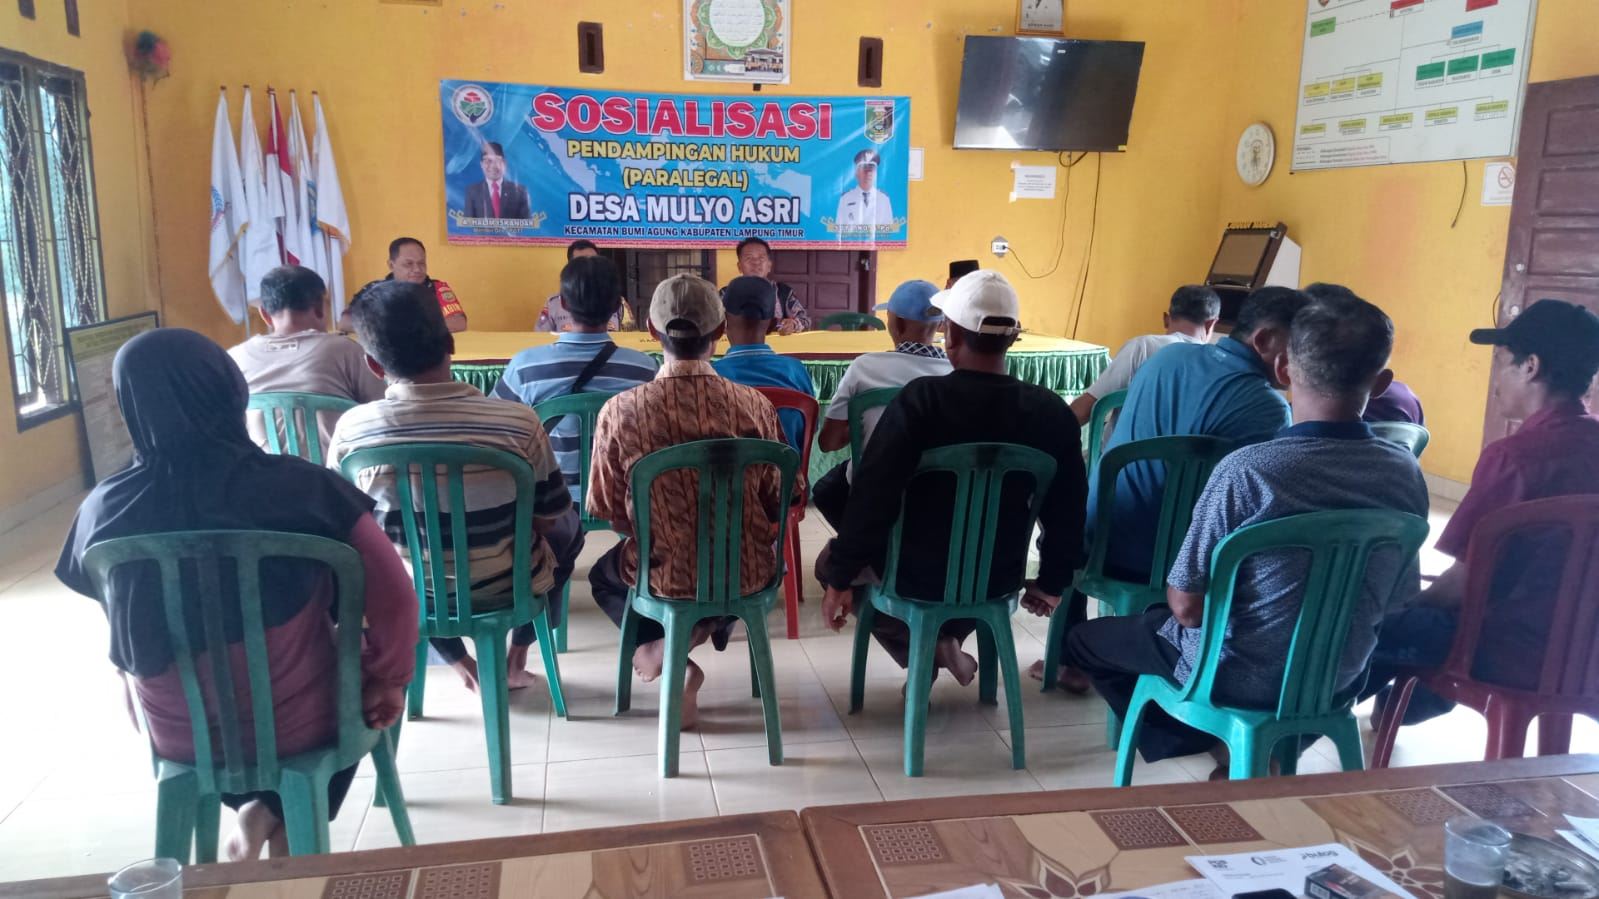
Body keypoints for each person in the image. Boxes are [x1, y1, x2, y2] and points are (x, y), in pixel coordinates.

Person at [55, 328, 418, 861]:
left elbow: (118, 630)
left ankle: (259, 814)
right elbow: (397, 601)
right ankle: (277, 821)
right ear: (231, 390)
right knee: (353, 681)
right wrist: (387, 679)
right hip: (300, 725)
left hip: (177, 734)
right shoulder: (305, 489)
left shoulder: (101, 510)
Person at [1058, 292, 1428, 777]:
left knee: (1086, 642)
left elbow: (1186, 607)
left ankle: (1218, 742)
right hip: (1337, 676)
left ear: (1285, 369)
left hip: (1230, 674)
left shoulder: (1248, 471)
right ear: (1380, 383)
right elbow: (1399, 598)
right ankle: (1254, 751)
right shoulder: (1404, 473)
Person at [817, 270, 1088, 686]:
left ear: (952, 335)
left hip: (914, 575)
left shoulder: (920, 400)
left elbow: (874, 494)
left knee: (828, 561)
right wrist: (1052, 581)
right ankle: (944, 643)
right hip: (1000, 577)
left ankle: (928, 647)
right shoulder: (1051, 412)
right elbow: (1068, 507)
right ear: (1012, 339)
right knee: (968, 581)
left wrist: (840, 575)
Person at [1034, 285, 1311, 691]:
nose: (1305, 360)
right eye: (1300, 347)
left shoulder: (1165, 359)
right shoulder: (1269, 408)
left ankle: (1069, 658)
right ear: (1265, 339)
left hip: (1097, 539)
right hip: (1181, 572)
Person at [328, 281, 583, 694]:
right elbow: (546, 519)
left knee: (399, 556)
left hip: (406, 589)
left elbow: (347, 531)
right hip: (507, 584)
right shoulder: (517, 424)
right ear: (451, 344)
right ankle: (516, 655)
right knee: (570, 526)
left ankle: (461, 664)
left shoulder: (353, 432)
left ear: (373, 365)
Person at [1363, 299, 1599, 726]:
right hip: (1588, 652)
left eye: (1501, 362)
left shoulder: (1515, 458)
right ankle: (1398, 710)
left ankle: (1290, 739)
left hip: (1510, 650)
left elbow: (1462, 585)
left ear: (1530, 367)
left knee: (1363, 631)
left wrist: (1407, 608)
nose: (1495, 378)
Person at [586, 274, 796, 728]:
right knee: (747, 568)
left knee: (606, 576)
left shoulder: (619, 411)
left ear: (650, 329)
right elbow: (782, 498)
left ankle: (668, 652)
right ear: (720, 331)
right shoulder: (755, 405)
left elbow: (612, 514)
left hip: (663, 572)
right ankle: (695, 634)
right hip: (746, 571)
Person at [493, 254, 659, 501]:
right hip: (620, 500)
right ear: (617, 306)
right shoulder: (645, 369)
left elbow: (496, 430)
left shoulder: (525, 367)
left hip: (550, 501)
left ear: (563, 303)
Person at [812, 278, 953, 529]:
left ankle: (864, 542)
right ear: (940, 323)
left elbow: (829, 442)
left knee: (826, 490)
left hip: (874, 489)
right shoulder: (954, 372)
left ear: (896, 324)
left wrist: (866, 424)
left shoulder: (865, 367)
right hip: (937, 490)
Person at [229, 265, 386, 452]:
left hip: (262, 470)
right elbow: (382, 413)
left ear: (265, 314)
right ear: (320, 308)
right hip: (335, 470)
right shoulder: (347, 351)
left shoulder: (234, 358)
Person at [1069, 285, 1221, 425]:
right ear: (1211, 324)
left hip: (1123, 447)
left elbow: (1086, 409)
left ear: (1166, 319)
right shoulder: (1219, 364)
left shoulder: (1143, 347)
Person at [712, 275, 817, 451]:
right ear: (772, 324)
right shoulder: (796, 371)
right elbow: (809, 430)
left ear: (723, 322)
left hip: (727, 469)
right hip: (788, 469)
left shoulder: (711, 376)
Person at [341, 238, 468, 333]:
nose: (417, 269)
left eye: (421, 263)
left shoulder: (436, 288)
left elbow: (459, 322)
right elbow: (345, 322)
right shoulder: (374, 290)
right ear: (391, 265)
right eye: (408, 264)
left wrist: (408, 327)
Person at [536, 240, 631, 332]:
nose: (588, 268)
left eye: (593, 262)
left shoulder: (616, 301)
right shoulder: (554, 303)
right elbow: (540, 338)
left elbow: (633, 336)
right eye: (581, 264)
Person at [734, 236, 810, 334]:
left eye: (761, 258)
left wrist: (793, 324)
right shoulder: (726, 294)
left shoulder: (783, 292)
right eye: (749, 258)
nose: (756, 263)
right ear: (739, 267)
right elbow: (717, 324)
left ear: (769, 266)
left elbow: (805, 321)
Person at [463, 141, 531, 219]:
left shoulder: (520, 191)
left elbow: (527, 224)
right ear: (481, 164)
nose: (493, 166)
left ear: (504, 163)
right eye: (488, 161)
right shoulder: (472, 191)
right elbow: (468, 223)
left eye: (497, 161)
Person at [835, 149, 895, 228]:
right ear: (856, 173)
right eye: (864, 170)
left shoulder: (883, 198)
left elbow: (889, 228)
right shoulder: (845, 198)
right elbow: (839, 228)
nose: (868, 173)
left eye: (871, 170)